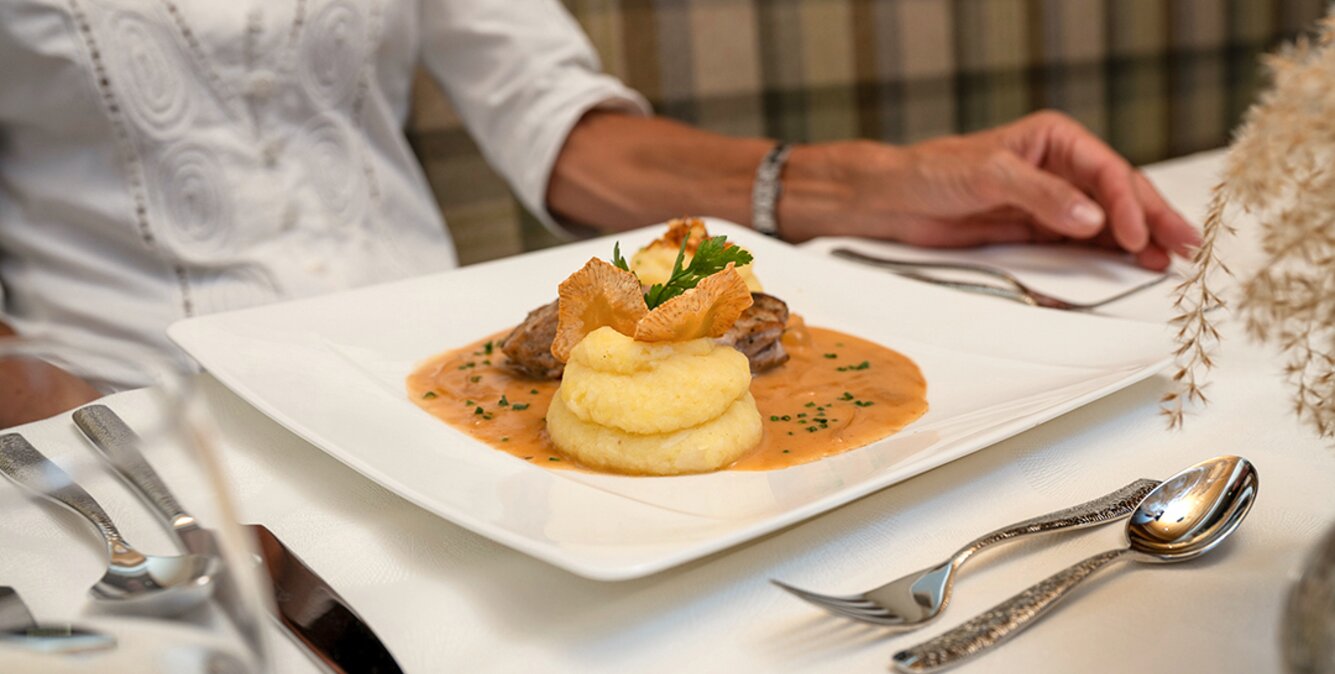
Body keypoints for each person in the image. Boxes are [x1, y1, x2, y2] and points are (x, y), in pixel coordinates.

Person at [0, 1, 1197, 428]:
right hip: (109, 414)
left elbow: (558, 125)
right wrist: (71, 426)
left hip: (420, 383)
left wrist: (873, 183)